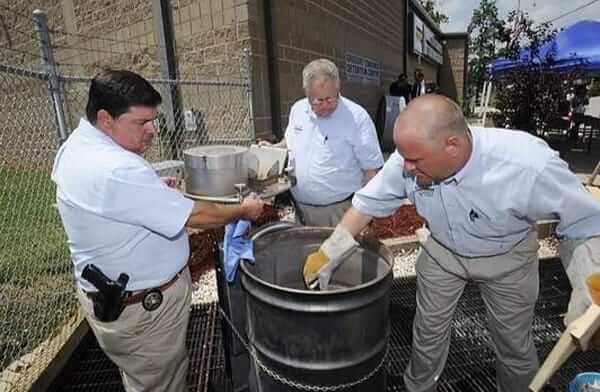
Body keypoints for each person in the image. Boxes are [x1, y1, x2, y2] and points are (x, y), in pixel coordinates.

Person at [304, 94, 600, 391]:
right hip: (443, 252)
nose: (405, 168)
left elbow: (586, 223)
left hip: (508, 259)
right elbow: (367, 204)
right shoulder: (409, 158)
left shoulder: (528, 165)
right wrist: (328, 252)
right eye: (403, 157)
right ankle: (419, 388)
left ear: (453, 146)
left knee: (514, 346)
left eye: (415, 161)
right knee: (427, 334)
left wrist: (592, 288)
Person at [51, 69, 264, 392]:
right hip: (144, 315)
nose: (153, 129)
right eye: (141, 122)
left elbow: (110, 199)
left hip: (116, 303)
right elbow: (198, 216)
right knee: (161, 383)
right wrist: (244, 209)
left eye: (154, 120)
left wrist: (151, 188)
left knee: (142, 379)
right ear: (106, 119)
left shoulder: (77, 146)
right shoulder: (118, 169)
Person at [261, 59, 384, 227]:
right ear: (306, 92)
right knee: (306, 253)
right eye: (318, 100)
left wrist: (365, 215)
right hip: (300, 209)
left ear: (338, 87)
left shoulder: (357, 118)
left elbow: (371, 172)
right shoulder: (298, 109)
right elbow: (290, 141)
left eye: (331, 99)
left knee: (339, 253)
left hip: (340, 212)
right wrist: (273, 149)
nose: (325, 106)